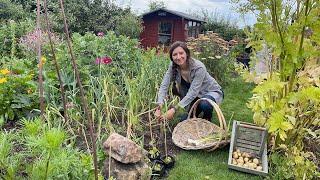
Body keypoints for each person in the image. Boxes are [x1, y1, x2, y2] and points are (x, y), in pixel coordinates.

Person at [155, 41, 224, 121]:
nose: (178, 57)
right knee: (182, 120)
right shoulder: (173, 66)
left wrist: (174, 109)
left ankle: (207, 118)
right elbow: (164, 85)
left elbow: (193, 92)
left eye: (181, 53)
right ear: (171, 57)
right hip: (195, 96)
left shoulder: (198, 67)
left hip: (209, 91)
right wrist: (159, 105)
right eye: (175, 54)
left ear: (186, 53)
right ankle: (196, 112)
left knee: (205, 104)